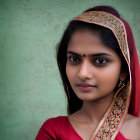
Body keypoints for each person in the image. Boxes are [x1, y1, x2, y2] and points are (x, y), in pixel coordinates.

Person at [35, 6, 140, 140]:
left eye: (100, 60)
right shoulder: (53, 131)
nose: (83, 74)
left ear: (124, 71)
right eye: (74, 59)